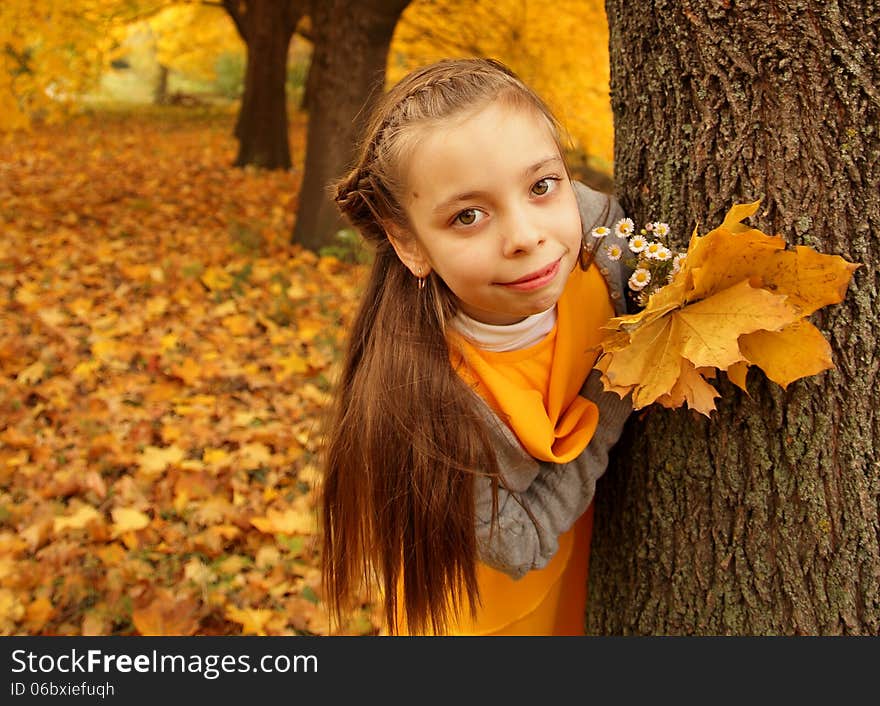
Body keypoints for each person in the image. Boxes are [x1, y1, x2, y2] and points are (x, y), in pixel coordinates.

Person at [320, 57, 632, 636]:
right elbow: (516, 542)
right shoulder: (423, 401)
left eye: (541, 185)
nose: (525, 237)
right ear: (409, 243)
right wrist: (622, 380)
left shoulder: (596, 243)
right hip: (487, 618)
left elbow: (598, 212)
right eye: (468, 216)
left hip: (598, 579)